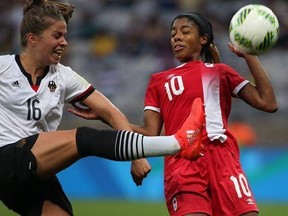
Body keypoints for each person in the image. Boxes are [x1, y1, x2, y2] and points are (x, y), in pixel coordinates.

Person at [0, 1, 206, 215]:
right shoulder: (3, 68)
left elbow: (110, 112)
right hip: (6, 159)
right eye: (57, 35)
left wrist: (137, 156)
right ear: (32, 39)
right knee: (85, 139)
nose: (65, 42)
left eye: (65, 36)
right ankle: (177, 143)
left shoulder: (64, 76)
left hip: (32, 176)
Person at [71, 12, 278, 216]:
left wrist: (249, 55)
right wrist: (105, 116)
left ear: (203, 39)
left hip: (224, 162)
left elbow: (267, 102)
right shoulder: (158, 81)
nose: (176, 37)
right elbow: (150, 134)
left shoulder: (220, 72)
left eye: (185, 32)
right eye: (173, 34)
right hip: (183, 165)